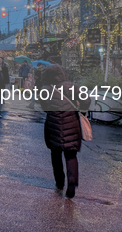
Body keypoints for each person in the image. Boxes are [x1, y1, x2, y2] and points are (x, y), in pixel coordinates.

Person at [38, 64, 88, 198]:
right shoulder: (72, 86)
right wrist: (82, 109)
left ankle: (60, 183)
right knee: (71, 155)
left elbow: (44, 107)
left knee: (55, 154)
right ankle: (72, 182)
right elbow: (86, 100)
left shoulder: (45, 89)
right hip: (72, 123)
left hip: (53, 125)